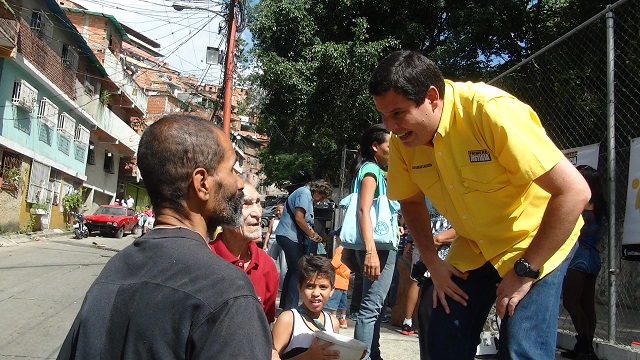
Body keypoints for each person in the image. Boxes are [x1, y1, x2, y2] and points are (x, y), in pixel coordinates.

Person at [369, 50, 591, 360]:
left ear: (432, 97)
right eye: (383, 115)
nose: (389, 126)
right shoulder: (408, 137)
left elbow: (575, 193)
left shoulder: (490, 112)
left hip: (536, 240)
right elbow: (410, 200)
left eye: (398, 113)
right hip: (474, 245)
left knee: (521, 346)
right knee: (443, 338)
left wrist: (525, 272)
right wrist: (433, 262)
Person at [56, 115, 272, 359]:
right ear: (202, 183)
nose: (239, 183)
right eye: (232, 169)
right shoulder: (227, 288)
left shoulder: (113, 272)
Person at [349, 123, 400, 360]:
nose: (394, 148)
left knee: (374, 308)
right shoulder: (372, 171)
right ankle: (363, 357)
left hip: (374, 246)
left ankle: (373, 354)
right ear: (375, 147)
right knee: (370, 307)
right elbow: (363, 210)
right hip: (377, 247)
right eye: (390, 144)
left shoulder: (370, 170)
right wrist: (371, 251)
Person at [209, 183, 279, 323]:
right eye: (246, 204)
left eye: (258, 203)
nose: (258, 213)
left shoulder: (266, 265)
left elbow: (265, 323)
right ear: (223, 213)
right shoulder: (205, 259)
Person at [561, 165, 607, 360]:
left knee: (571, 302)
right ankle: (584, 345)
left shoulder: (581, 204)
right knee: (587, 304)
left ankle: (585, 345)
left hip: (578, 257)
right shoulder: (601, 205)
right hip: (593, 257)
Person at [275, 180, 333, 310]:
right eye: (322, 197)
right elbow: (299, 218)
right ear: (317, 191)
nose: (320, 201)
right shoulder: (304, 193)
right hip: (289, 236)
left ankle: (286, 304)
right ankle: (291, 307)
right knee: (298, 270)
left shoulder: (304, 193)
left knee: (292, 270)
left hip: (287, 235)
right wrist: (312, 234)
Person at [271, 255, 341, 359]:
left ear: (332, 290)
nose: (316, 293)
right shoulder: (289, 320)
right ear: (299, 287)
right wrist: (307, 357)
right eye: (310, 286)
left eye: (323, 287)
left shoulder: (333, 323)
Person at [325, 236, 351, 329]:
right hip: (345, 281)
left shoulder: (339, 249)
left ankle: (333, 319)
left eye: (336, 236)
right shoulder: (350, 250)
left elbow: (335, 263)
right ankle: (343, 320)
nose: (335, 238)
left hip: (337, 280)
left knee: (334, 303)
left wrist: (327, 265)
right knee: (343, 303)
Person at [264, 203, 288, 289]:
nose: (278, 212)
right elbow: (268, 232)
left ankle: (282, 286)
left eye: (279, 210)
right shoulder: (273, 220)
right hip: (272, 241)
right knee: (270, 263)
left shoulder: (287, 221)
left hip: (282, 242)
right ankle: (269, 284)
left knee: (283, 265)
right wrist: (265, 244)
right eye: (277, 210)